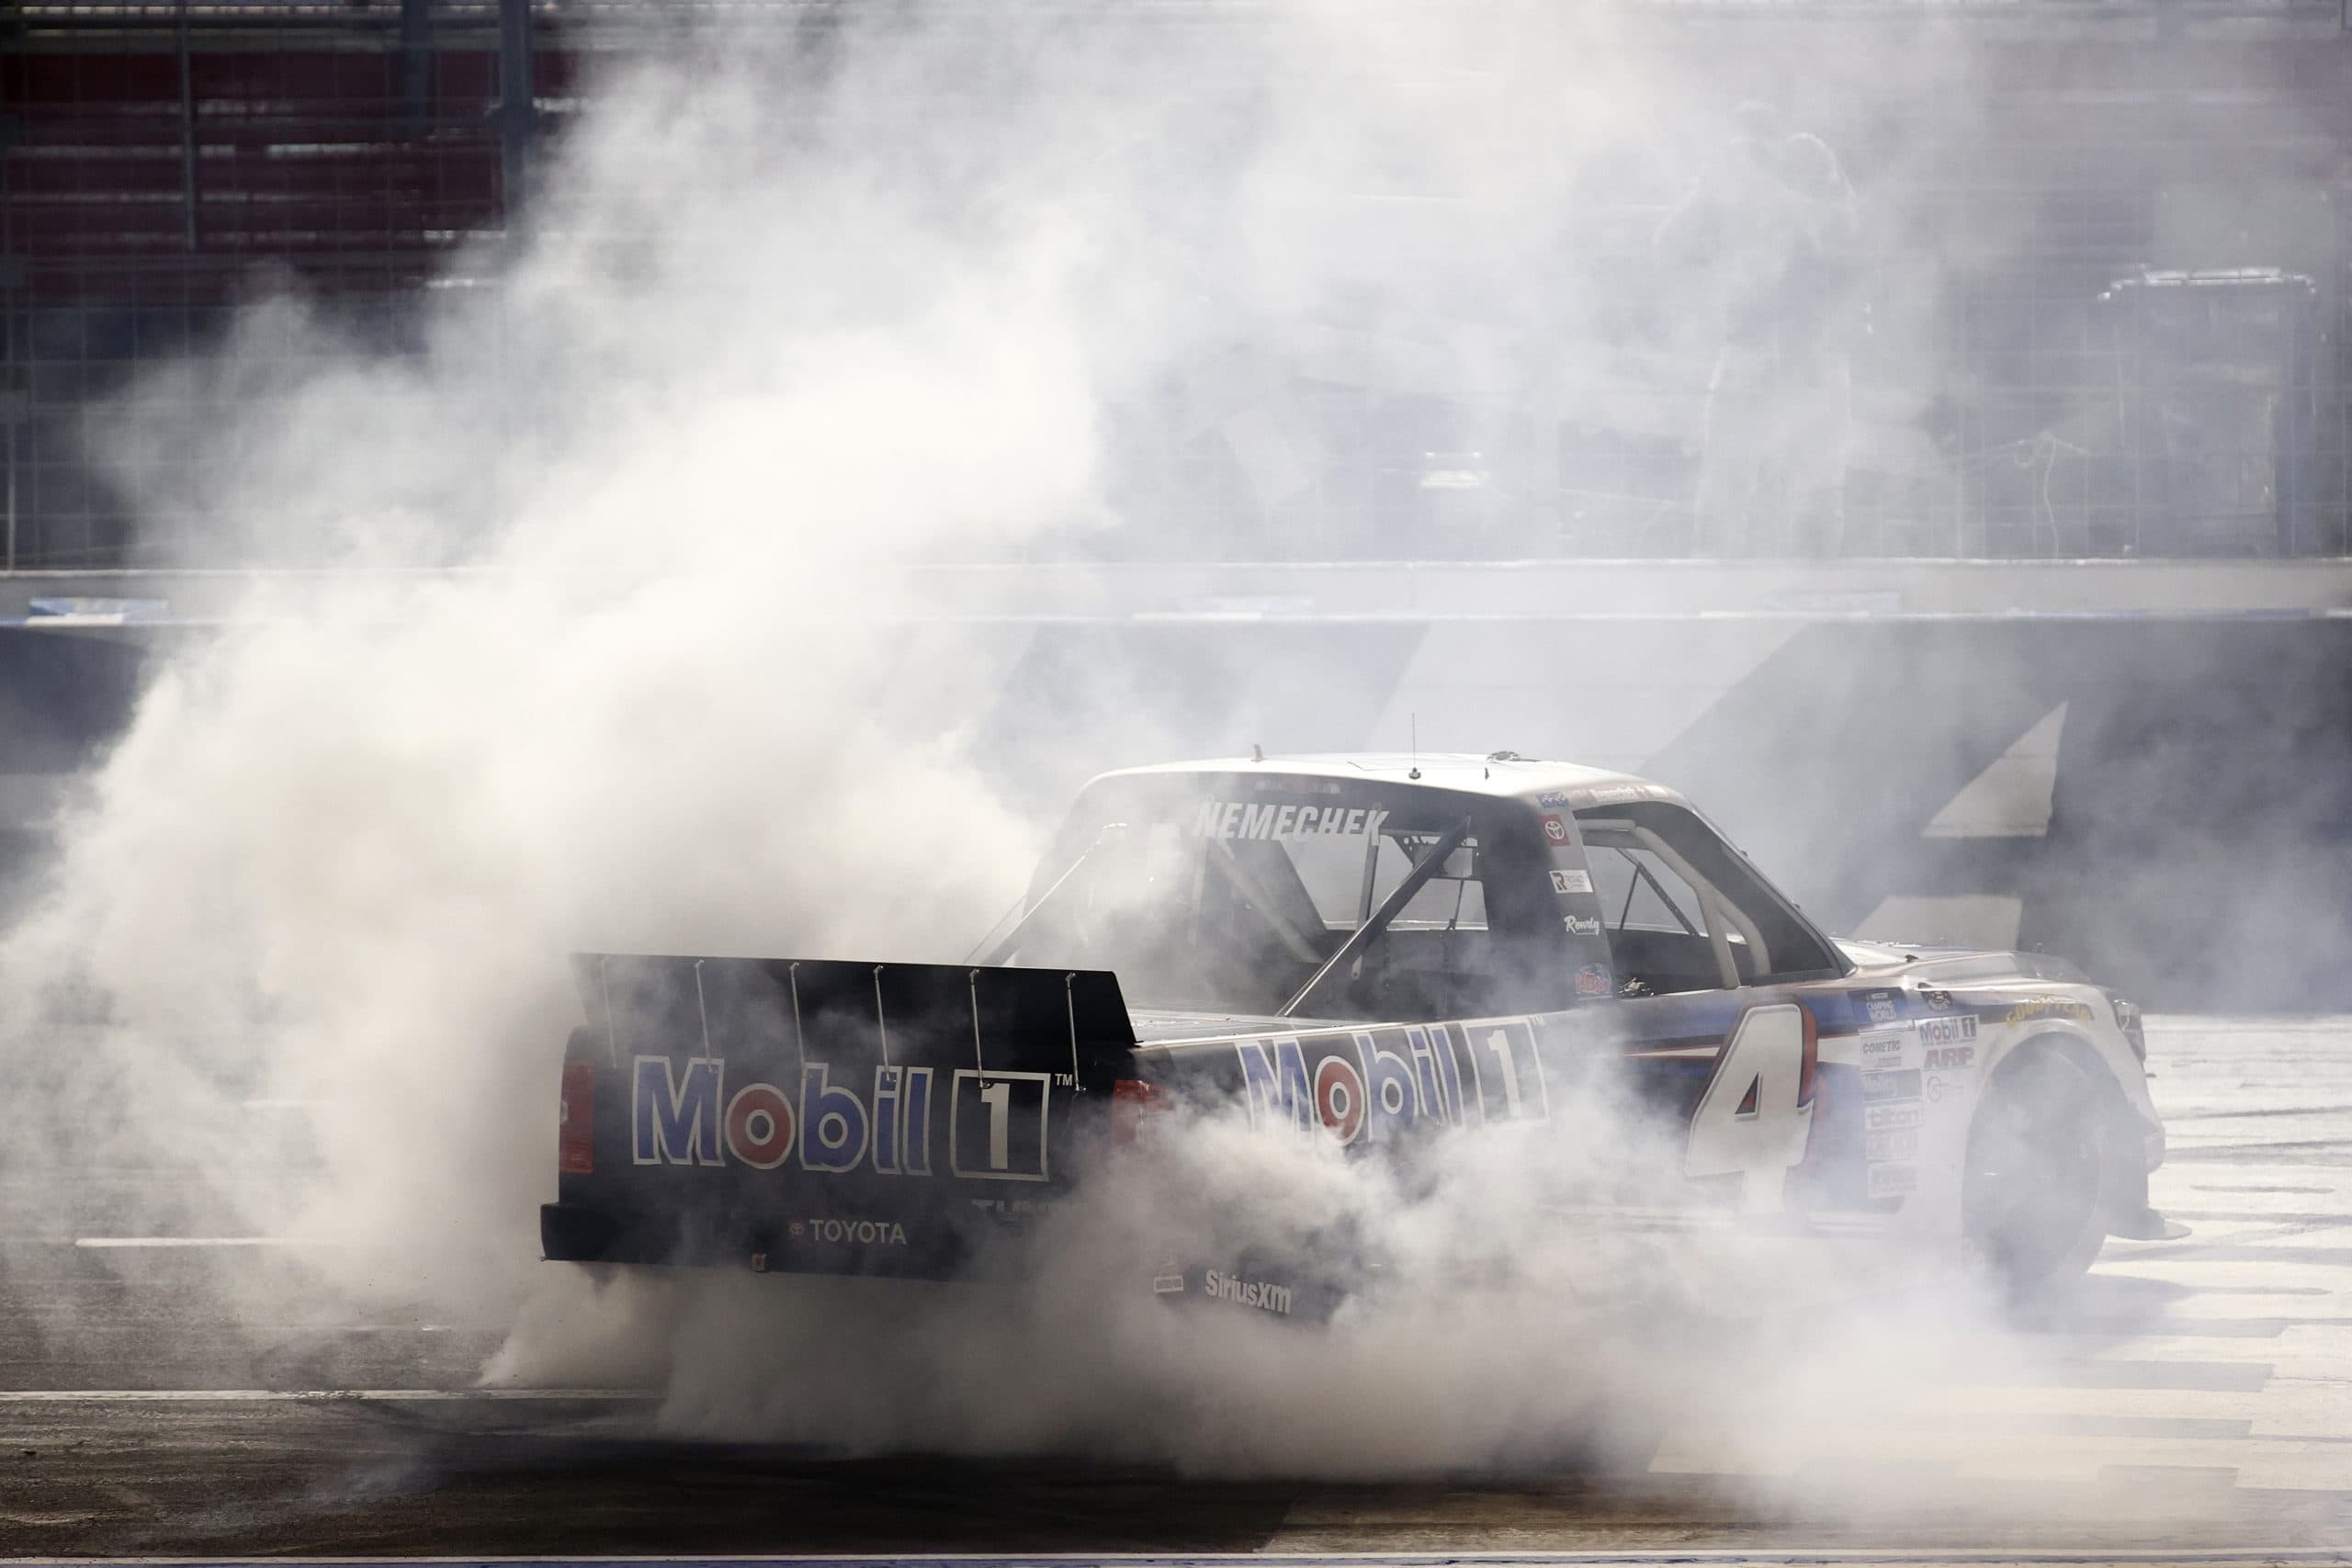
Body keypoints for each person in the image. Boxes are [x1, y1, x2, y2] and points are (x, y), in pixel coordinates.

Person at [1656, 104, 1863, 557]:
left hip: (1812, 351)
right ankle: (1715, 584)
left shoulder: (1809, 158)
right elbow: (1671, 243)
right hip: (1755, 348)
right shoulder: (1730, 181)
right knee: (1728, 480)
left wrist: (1758, 194)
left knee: (1816, 481)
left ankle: (1814, 587)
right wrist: (1707, 196)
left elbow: (1844, 232)